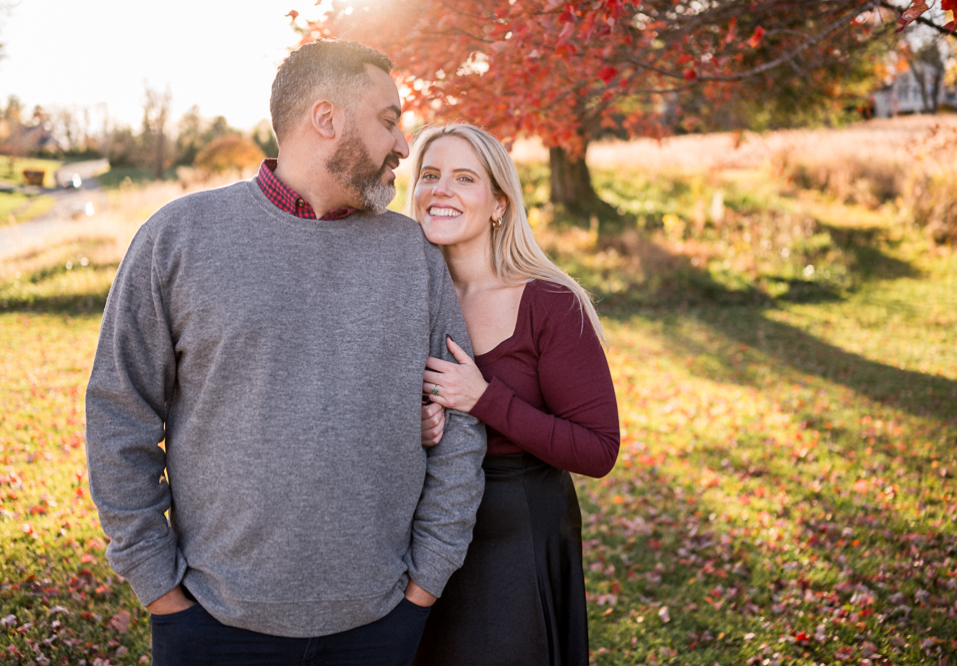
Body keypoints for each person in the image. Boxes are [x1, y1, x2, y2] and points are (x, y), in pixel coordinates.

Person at [84, 40, 486, 666]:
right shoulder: (178, 238)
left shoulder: (413, 257)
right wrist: (157, 585)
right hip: (211, 623)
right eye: (388, 119)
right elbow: (119, 413)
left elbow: (460, 419)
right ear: (326, 120)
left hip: (381, 623)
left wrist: (424, 583)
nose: (404, 144)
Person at [407, 124, 620, 666]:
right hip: (417, 529)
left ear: (499, 203)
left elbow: (598, 450)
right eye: (429, 175)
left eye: (464, 177)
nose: (442, 190)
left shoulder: (549, 302)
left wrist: (484, 399)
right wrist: (415, 426)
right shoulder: (404, 296)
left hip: (516, 532)